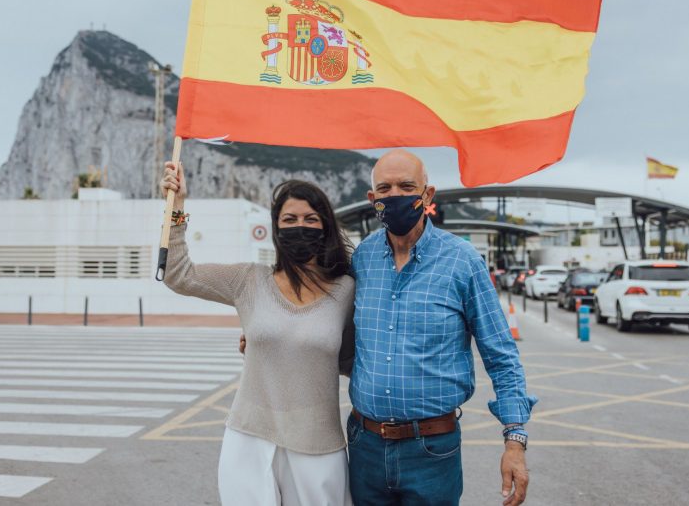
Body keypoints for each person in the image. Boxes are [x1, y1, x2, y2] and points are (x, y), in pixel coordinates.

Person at [347, 150, 536, 506]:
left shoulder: (462, 261)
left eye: (407, 186)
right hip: (364, 445)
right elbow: (327, 313)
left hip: (431, 449)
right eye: (384, 189)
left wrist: (515, 440)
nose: (395, 195)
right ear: (373, 200)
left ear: (427, 195)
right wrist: (265, 336)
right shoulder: (363, 258)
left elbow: (501, 356)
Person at [161, 161, 355, 506]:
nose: (301, 227)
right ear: (276, 228)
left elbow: (352, 360)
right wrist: (176, 208)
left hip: (318, 444)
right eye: (290, 219)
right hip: (248, 437)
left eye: (311, 219)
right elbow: (179, 275)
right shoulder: (249, 281)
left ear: (325, 226)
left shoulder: (347, 291)